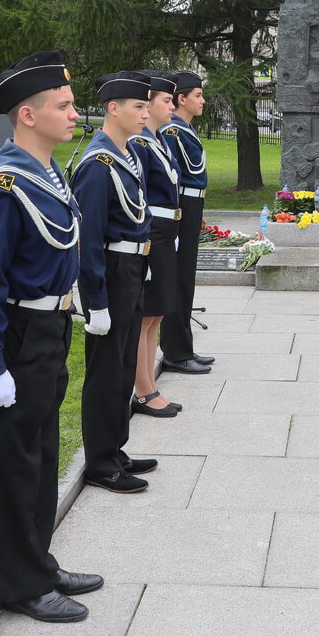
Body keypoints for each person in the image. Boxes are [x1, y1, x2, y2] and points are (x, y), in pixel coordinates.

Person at [0, 51, 102, 624]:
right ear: (27, 114)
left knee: (43, 455)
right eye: (63, 106)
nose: (74, 114)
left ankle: (38, 561)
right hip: (16, 337)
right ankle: (21, 583)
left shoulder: (47, 174)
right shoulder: (4, 186)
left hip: (50, 329)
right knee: (16, 462)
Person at [70, 71, 161, 494]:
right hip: (109, 273)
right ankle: (100, 462)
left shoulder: (126, 155)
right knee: (106, 371)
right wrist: (96, 302)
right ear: (113, 108)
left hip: (131, 271)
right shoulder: (97, 163)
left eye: (146, 106)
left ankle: (115, 448)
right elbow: (87, 239)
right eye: (138, 107)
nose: (145, 114)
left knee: (122, 365)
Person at [130, 71, 186, 417]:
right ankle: (143, 390)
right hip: (153, 230)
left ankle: (149, 384)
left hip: (166, 229)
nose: (171, 105)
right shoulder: (139, 142)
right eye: (166, 100)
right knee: (147, 314)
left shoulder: (157, 140)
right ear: (147, 105)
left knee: (157, 313)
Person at [158, 70, 217, 374]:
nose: (202, 100)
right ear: (182, 99)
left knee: (186, 279)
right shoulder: (172, 132)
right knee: (179, 280)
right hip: (181, 205)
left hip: (191, 203)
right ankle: (176, 353)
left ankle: (184, 347)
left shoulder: (183, 130)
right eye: (197, 95)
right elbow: (172, 178)